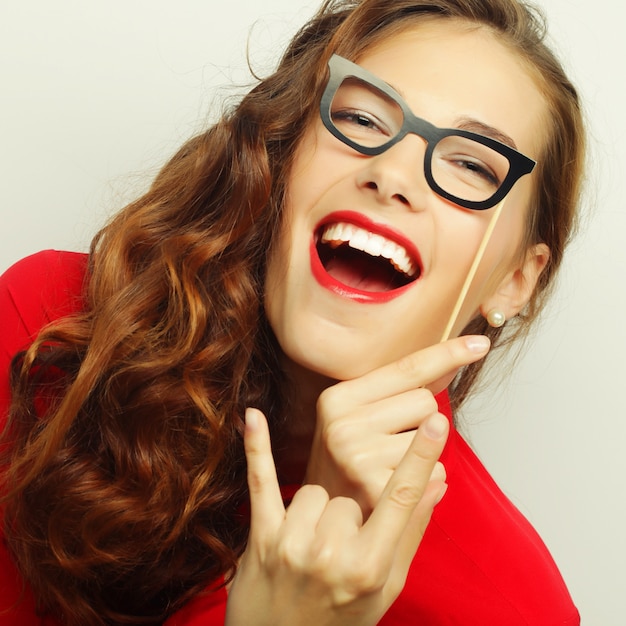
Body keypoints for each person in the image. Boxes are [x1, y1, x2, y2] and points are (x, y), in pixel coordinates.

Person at [0, 0, 585, 624]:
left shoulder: (510, 607)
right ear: (283, 155)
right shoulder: (51, 327)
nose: (391, 175)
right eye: (361, 117)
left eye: (470, 165)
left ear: (516, 281)